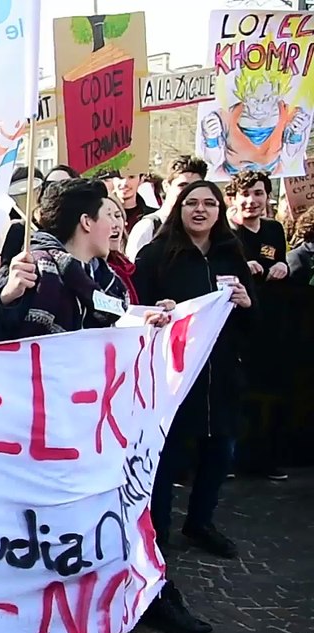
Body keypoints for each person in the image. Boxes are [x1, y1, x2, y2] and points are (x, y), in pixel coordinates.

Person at [0, 178, 176, 633]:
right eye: (112, 213)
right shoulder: (37, 271)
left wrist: (149, 320)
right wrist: (4, 297)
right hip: (28, 438)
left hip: (74, 438)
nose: (121, 222)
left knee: (57, 543)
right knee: (36, 538)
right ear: (85, 222)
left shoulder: (96, 277)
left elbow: (107, 330)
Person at [134, 180, 254, 561]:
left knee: (220, 451)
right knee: (166, 454)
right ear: (178, 209)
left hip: (221, 371)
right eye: (191, 203)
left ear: (220, 211)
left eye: (208, 204)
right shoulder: (156, 255)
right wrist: (159, 310)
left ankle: (201, 522)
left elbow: (253, 321)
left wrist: (247, 302)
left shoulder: (233, 254)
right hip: (173, 373)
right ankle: (158, 528)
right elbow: (136, 308)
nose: (199, 210)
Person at [224, 170, 289, 480]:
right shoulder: (227, 233)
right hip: (237, 325)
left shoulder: (275, 230)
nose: (252, 201)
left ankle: (265, 458)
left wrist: (282, 265)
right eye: (246, 194)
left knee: (270, 392)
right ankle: (232, 460)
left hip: (272, 322)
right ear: (234, 199)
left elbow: (281, 259)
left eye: (259, 194)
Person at [127, 156, 209, 258]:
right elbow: (133, 270)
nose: (189, 192)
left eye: (195, 186)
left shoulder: (204, 229)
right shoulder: (148, 227)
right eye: (182, 185)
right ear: (166, 186)